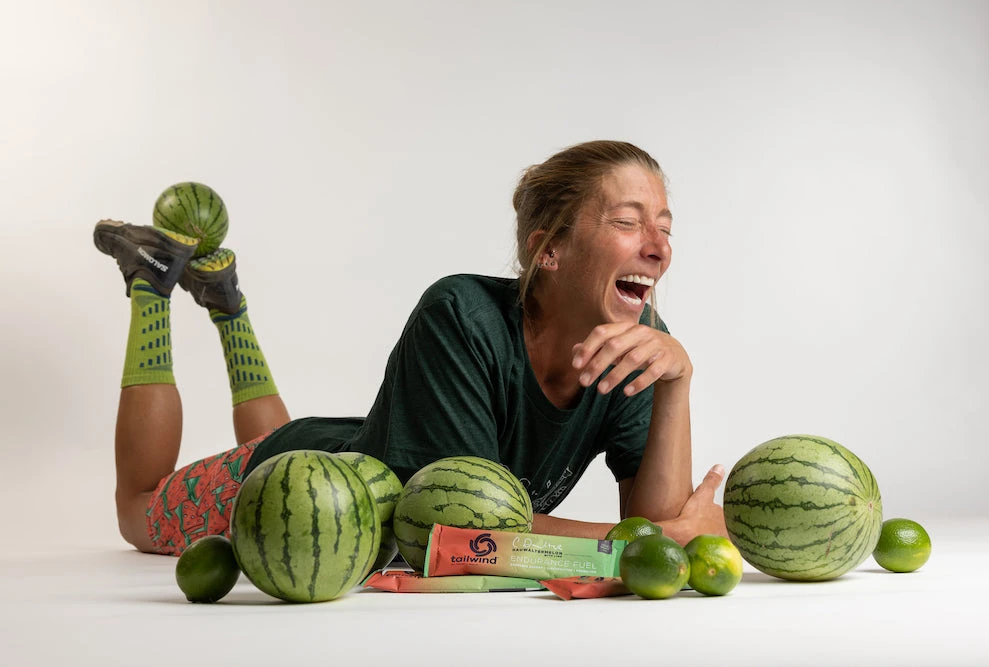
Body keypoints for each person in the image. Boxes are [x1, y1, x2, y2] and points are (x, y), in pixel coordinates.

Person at [95, 140, 728, 557]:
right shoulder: (461, 315)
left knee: (266, 439)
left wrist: (678, 382)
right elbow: (465, 533)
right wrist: (641, 542)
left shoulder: (642, 349)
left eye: (665, 228)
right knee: (137, 509)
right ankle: (151, 281)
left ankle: (226, 301)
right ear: (548, 250)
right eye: (628, 222)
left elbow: (661, 521)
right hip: (307, 489)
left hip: (361, 452)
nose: (658, 248)